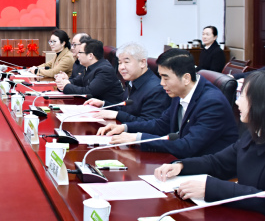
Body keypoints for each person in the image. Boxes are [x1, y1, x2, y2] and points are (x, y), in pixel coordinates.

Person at [154, 70, 265, 215]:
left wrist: (211, 189)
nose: (237, 102)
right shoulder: (252, 135)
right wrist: (181, 166)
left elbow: (261, 197)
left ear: (259, 103)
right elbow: (217, 162)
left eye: (242, 96)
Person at [97, 48, 238, 158]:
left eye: (166, 78)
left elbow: (188, 146)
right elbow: (161, 124)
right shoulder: (179, 91)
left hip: (206, 169)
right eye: (160, 77)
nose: (161, 83)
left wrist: (137, 138)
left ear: (186, 78)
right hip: (182, 159)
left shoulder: (212, 103)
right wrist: (125, 128)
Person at [85, 42, 171, 122]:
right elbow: (126, 111)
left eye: (126, 62)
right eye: (120, 63)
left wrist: (118, 115)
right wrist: (104, 104)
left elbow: (149, 123)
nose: (121, 67)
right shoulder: (132, 81)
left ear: (142, 62)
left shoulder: (156, 89)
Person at [55, 39, 124, 103]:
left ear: (90, 56)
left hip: (109, 109)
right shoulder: (90, 67)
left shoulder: (104, 70)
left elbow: (89, 92)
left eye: (80, 52)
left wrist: (66, 86)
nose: (77, 55)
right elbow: (77, 81)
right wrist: (64, 82)